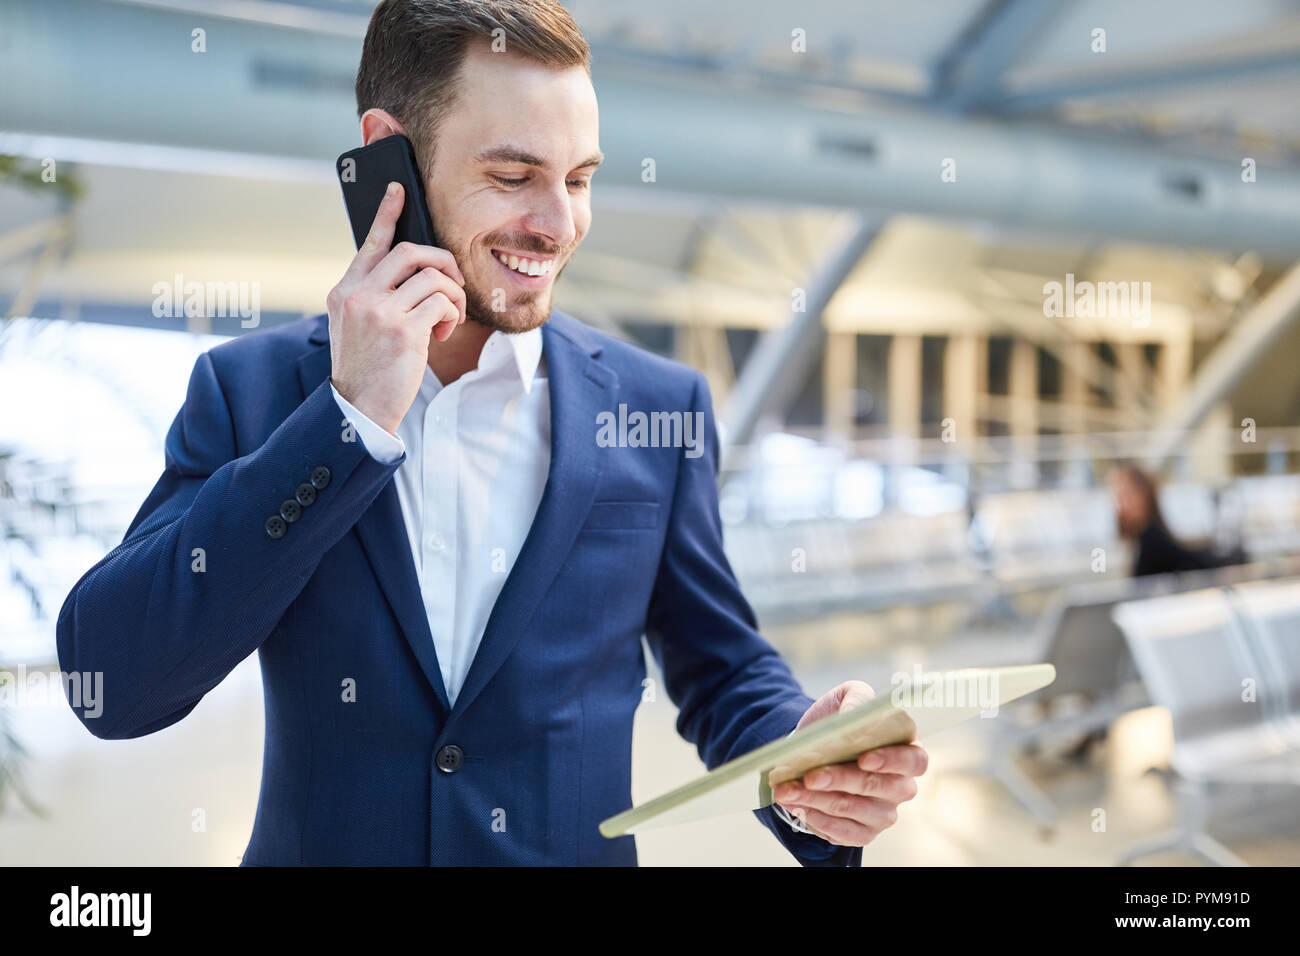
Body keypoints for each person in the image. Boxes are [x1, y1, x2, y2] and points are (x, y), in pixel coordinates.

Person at [56, 0, 926, 866]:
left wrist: (806, 763)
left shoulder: (657, 409)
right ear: (387, 154)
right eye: (513, 177)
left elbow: (724, 671)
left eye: (579, 179)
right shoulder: (255, 392)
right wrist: (346, 418)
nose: (558, 225)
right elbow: (115, 685)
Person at [1109, 463, 1244, 577]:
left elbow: (1187, 559)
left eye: (1127, 495)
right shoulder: (1138, 536)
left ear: (1144, 496)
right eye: (1119, 496)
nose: (1122, 503)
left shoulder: (1151, 536)